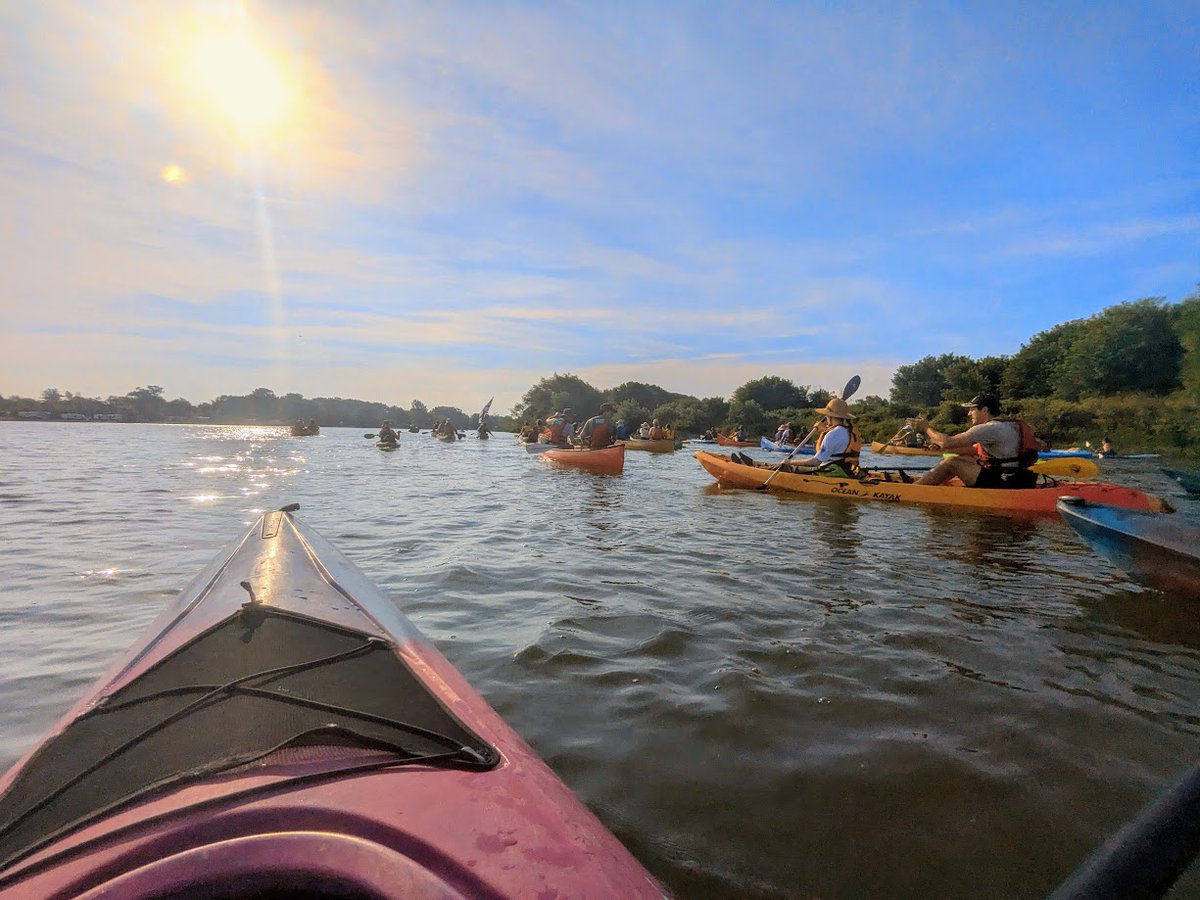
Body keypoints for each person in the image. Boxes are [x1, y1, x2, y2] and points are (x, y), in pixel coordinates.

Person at [910, 393, 1037, 487]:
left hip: (1003, 480)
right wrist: (942, 448)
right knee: (962, 458)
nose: (969, 413)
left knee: (951, 462)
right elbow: (974, 450)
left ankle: (916, 489)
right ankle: (937, 484)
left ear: (985, 410)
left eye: (972, 409)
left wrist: (926, 428)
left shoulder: (988, 428)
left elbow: (947, 442)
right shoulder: (1008, 425)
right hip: (1019, 477)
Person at [763, 399, 860, 475]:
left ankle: (764, 470)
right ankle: (765, 466)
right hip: (845, 469)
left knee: (786, 467)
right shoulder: (847, 431)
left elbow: (815, 462)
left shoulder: (833, 434)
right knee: (783, 465)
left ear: (830, 416)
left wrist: (790, 462)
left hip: (829, 471)